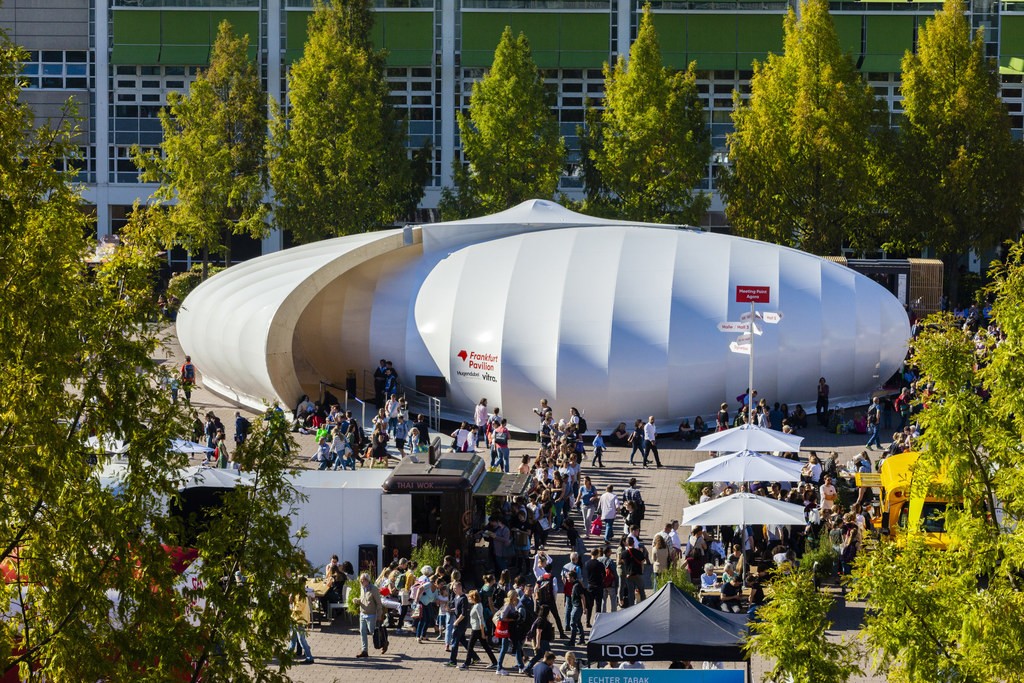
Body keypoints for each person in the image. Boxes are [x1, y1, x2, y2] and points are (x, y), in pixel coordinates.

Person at [495, 589, 525, 676]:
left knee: (509, 648)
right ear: (512, 596)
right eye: (516, 595)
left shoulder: (512, 604)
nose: (517, 597)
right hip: (509, 630)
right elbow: (502, 617)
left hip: (510, 630)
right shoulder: (508, 605)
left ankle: (519, 666)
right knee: (515, 647)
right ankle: (519, 667)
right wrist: (512, 619)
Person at [357, 572, 385, 657]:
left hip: (371, 615)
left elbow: (379, 603)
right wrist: (358, 600)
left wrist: (379, 615)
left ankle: (384, 642)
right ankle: (364, 651)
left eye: (363, 581)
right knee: (362, 632)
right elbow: (363, 599)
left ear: (367, 580)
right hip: (362, 613)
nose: (361, 582)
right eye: (360, 581)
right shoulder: (362, 588)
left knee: (373, 632)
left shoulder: (374, 589)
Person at [446, 581, 471, 666]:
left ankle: (452, 661)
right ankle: (475, 657)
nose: (454, 590)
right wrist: (451, 610)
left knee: (455, 642)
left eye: (455, 588)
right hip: (457, 622)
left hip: (461, 624)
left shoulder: (463, 598)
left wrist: (456, 622)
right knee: (463, 641)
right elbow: (457, 609)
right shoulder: (457, 597)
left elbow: (463, 614)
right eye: (453, 589)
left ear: (460, 588)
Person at [289, 589, 315, 664]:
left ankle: (309, 657)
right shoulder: (302, 596)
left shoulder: (299, 597)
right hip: (296, 620)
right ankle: (288, 656)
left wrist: (291, 603)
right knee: (293, 639)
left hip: (299, 620)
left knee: (301, 639)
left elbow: (297, 610)